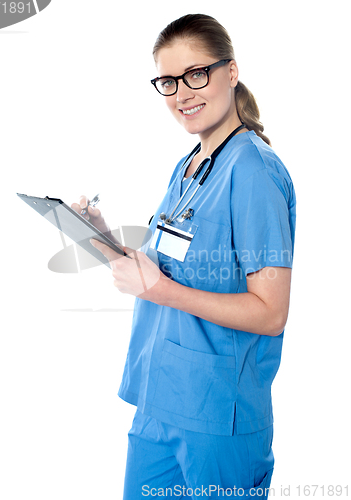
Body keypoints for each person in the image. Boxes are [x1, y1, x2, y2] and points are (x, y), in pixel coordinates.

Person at [73, 13, 296, 500]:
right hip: (159, 400)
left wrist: (160, 289)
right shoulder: (191, 164)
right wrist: (101, 236)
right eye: (169, 81)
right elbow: (165, 265)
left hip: (218, 416)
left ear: (230, 73)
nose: (182, 94)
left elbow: (271, 312)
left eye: (197, 74)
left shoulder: (254, 173)